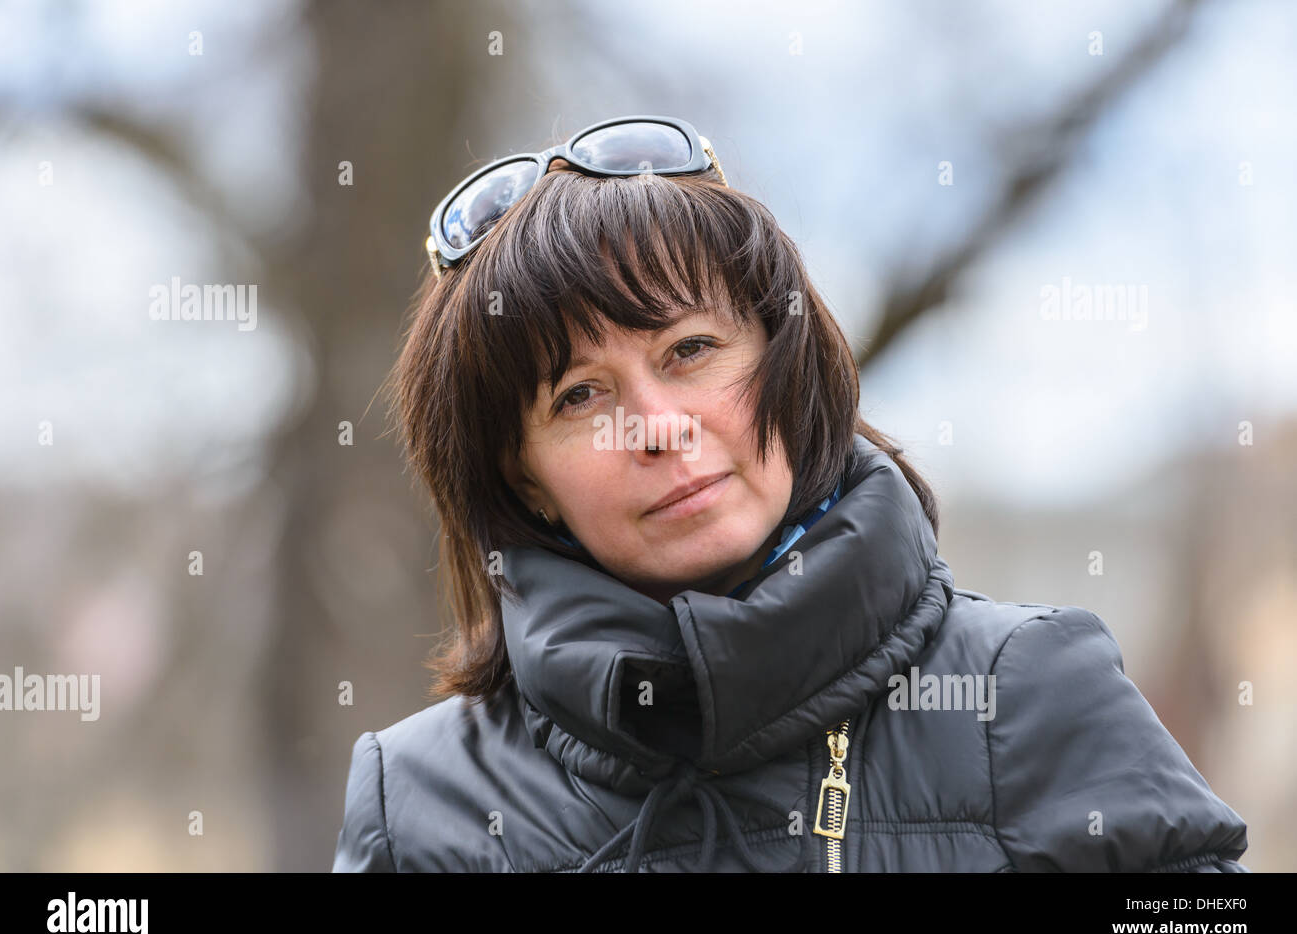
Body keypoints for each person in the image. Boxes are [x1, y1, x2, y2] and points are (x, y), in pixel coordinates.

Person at [332, 116, 1249, 872]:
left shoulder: (1024, 691)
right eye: (579, 397)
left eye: (690, 351)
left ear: (787, 363)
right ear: (520, 477)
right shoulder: (418, 800)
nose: (657, 426)